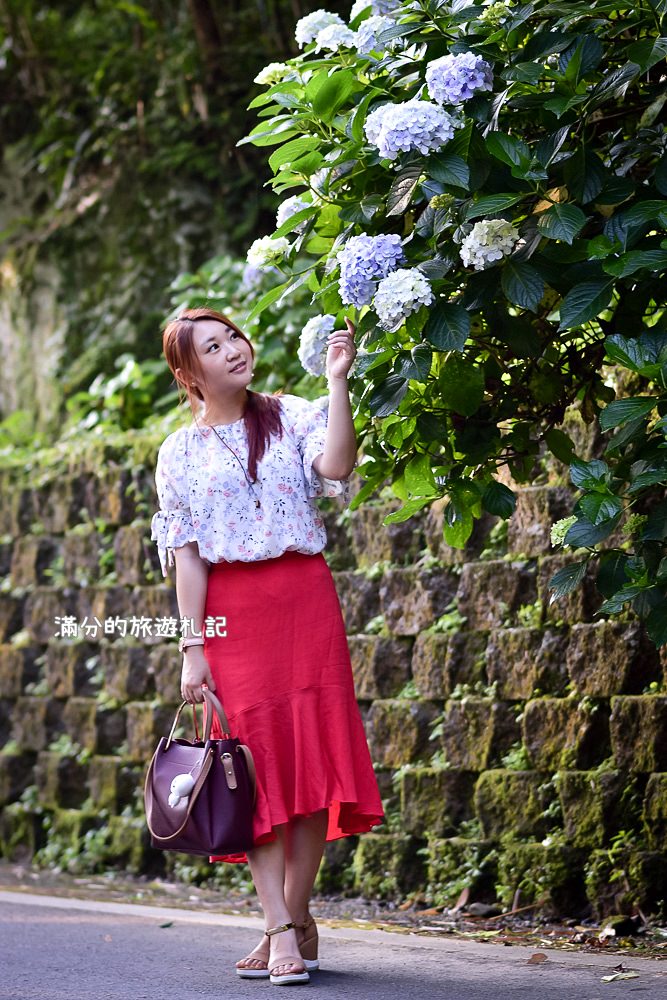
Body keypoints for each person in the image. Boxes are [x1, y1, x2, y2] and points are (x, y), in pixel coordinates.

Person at [150, 307, 385, 986]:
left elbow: (337, 464)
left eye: (233, 338)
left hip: (304, 601)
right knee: (247, 767)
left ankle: (292, 916)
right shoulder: (178, 453)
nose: (232, 351)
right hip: (233, 615)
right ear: (188, 373)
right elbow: (187, 557)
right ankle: (281, 927)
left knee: (308, 762)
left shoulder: (291, 413)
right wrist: (192, 647)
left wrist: (338, 382)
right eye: (212, 347)